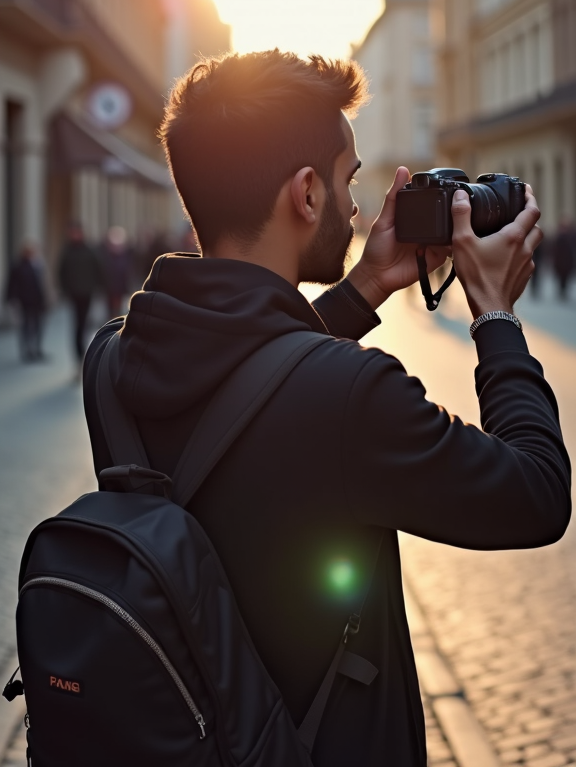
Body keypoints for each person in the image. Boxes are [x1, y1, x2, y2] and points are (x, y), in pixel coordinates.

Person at [83, 50, 570, 766]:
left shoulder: (112, 359)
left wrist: (365, 288)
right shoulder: (353, 395)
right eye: (348, 182)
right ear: (306, 193)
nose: (354, 208)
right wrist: (495, 318)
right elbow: (536, 494)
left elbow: (253, 385)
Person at [58, 223, 102, 371]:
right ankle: (79, 355)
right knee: (78, 325)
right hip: (74, 294)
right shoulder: (67, 251)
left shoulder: (89, 250)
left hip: (87, 293)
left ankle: (84, 352)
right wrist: (64, 290)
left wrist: (98, 287)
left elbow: (98, 269)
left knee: (84, 324)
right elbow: (61, 272)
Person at [5, 242, 47, 361]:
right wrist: (10, 299)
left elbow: (42, 284)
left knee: (38, 326)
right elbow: (11, 283)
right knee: (26, 326)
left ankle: (37, 349)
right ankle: (27, 350)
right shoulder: (18, 266)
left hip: (38, 301)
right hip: (25, 301)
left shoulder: (38, 264)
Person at [99, 226, 133, 318]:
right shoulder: (105, 256)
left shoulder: (126, 255)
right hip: (109, 287)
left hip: (120, 287)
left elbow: (127, 273)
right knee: (110, 309)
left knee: (119, 308)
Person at [551, 217, 576, 300]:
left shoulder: (571, 236)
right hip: (561, 261)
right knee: (561, 277)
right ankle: (562, 291)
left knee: (566, 277)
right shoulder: (560, 237)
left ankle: (563, 290)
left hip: (567, 261)